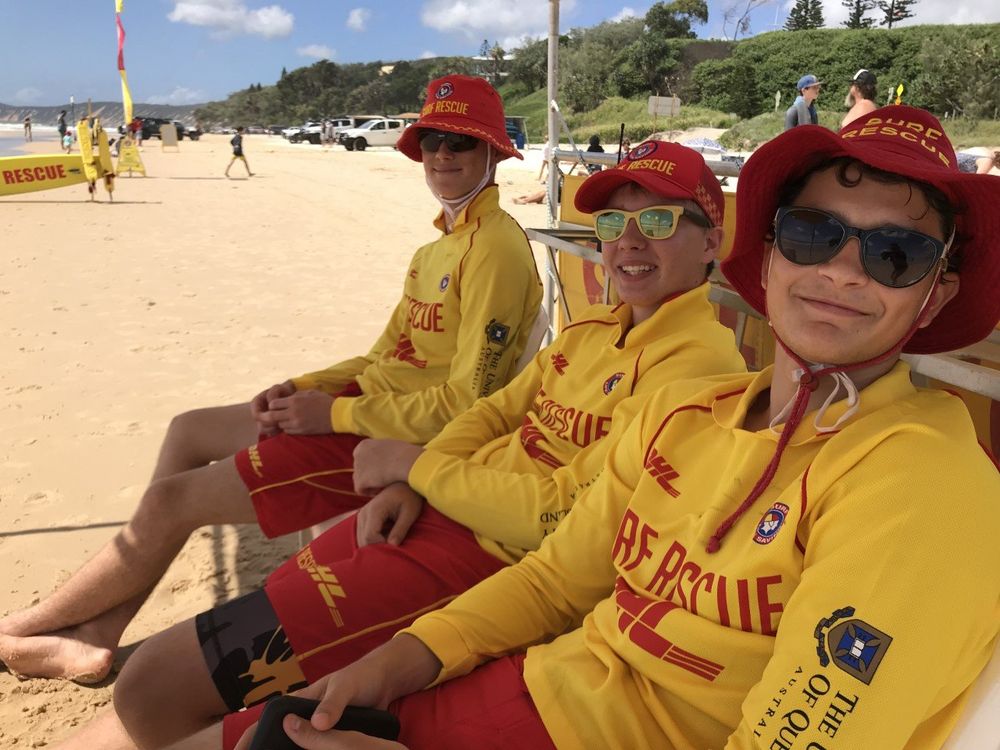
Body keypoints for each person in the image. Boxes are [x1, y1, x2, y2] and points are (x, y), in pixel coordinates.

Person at [192, 105, 996, 750]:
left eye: (896, 255)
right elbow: (557, 578)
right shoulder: (688, 416)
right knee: (254, 734)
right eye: (815, 234)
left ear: (934, 294)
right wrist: (399, 662)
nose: (843, 270)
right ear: (772, 252)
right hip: (539, 683)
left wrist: (414, 467)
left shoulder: (921, 480)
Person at [45, 141, 749, 750]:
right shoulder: (593, 326)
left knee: (153, 689)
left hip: (488, 562)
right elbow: (495, 412)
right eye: (613, 221)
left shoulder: (699, 369)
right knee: (162, 682)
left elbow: (561, 517)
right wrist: (414, 480)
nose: (628, 241)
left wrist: (414, 463)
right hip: (427, 510)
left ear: (711, 240)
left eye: (657, 220)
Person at [0, 75, 543, 686]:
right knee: (188, 431)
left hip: (396, 440)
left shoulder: (497, 248)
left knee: (169, 499)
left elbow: (467, 403)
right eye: (431, 141)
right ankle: (99, 630)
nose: (442, 155)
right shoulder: (435, 250)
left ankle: (24, 629)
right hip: (367, 405)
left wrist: (330, 416)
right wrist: (300, 385)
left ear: (494, 153)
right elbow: (383, 355)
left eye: (459, 143)